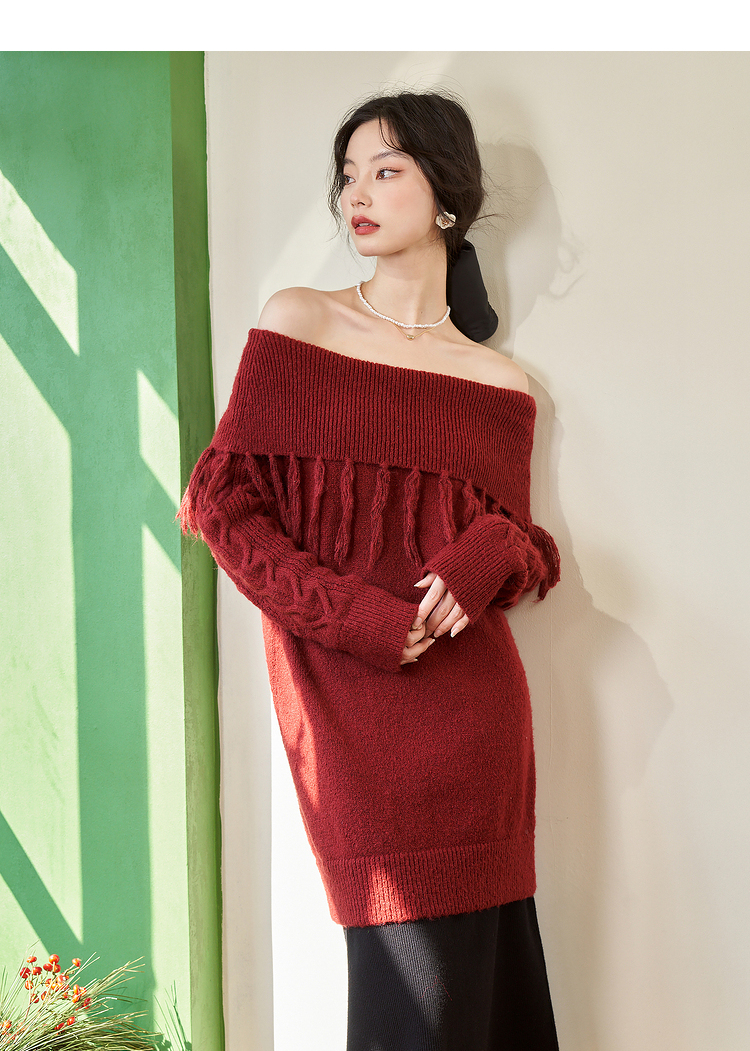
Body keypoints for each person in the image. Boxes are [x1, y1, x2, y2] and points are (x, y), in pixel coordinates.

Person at [180, 89, 561, 1050]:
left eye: (386, 170)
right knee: (411, 1017)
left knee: (488, 1010)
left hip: (477, 729)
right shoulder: (298, 323)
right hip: (353, 728)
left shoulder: (498, 382)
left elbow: (530, 549)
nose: (356, 192)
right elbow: (221, 507)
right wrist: (360, 618)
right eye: (348, 174)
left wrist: (490, 550)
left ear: (446, 196)